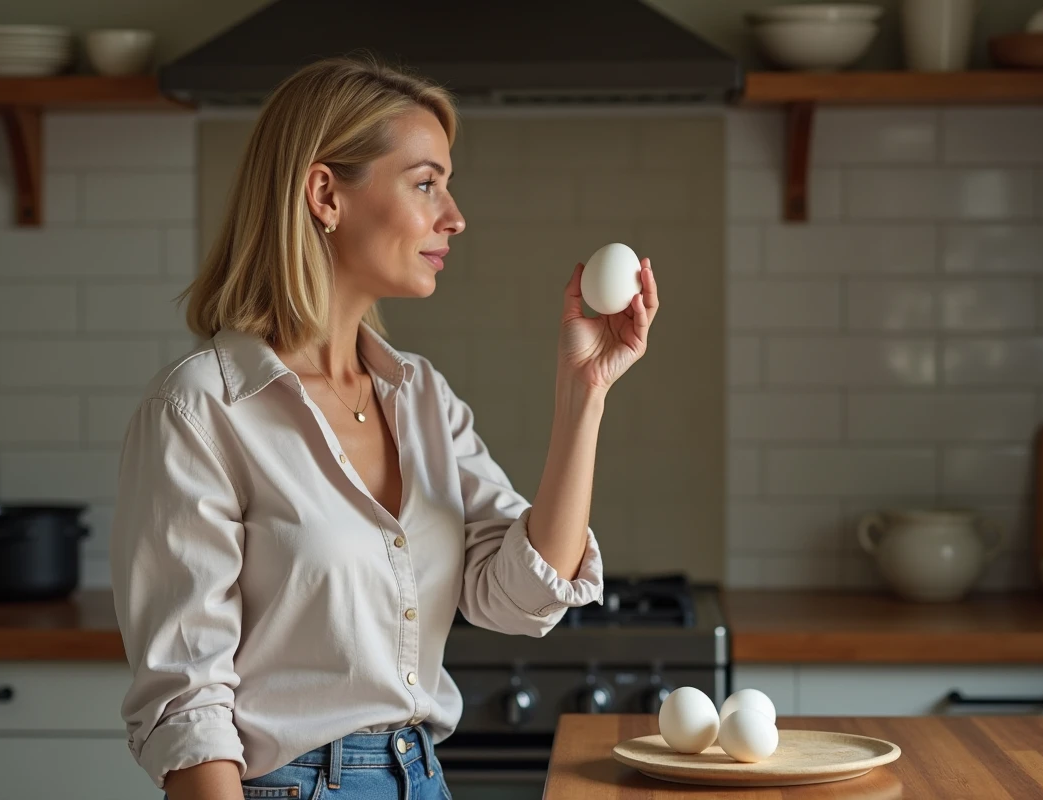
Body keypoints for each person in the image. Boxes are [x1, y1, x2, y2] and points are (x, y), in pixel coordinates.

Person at [110, 54, 660, 800]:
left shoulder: (421, 396)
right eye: (426, 183)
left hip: (421, 777)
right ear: (325, 194)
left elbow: (518, 596)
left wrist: (584, 392)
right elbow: (187, 708)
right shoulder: (202, 408)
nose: (454, 217)